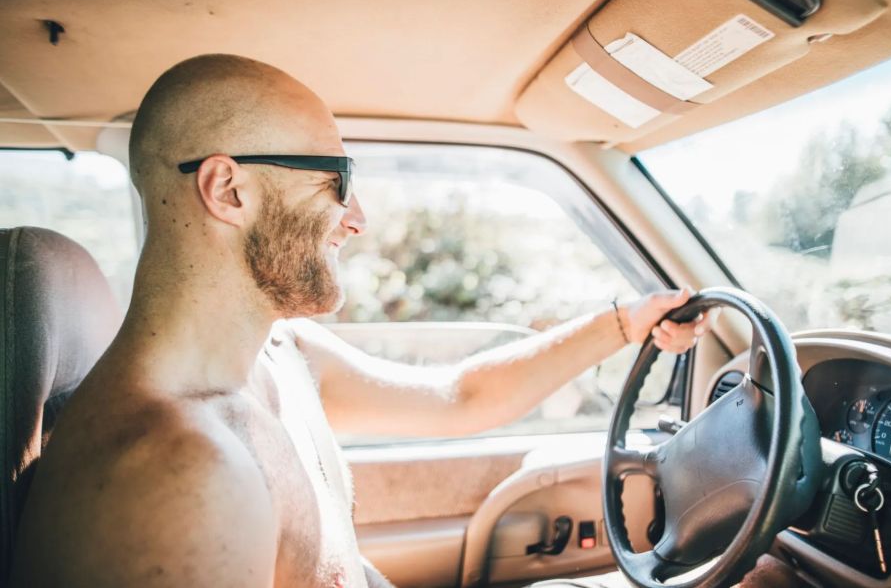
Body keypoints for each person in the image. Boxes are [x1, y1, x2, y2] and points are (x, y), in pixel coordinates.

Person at [11, 54, 708, 588]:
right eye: (335, 178)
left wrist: (624, 322)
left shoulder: (281, 353)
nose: (358, 217)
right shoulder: (178, 475)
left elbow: (460, 396)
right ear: (228, 189)